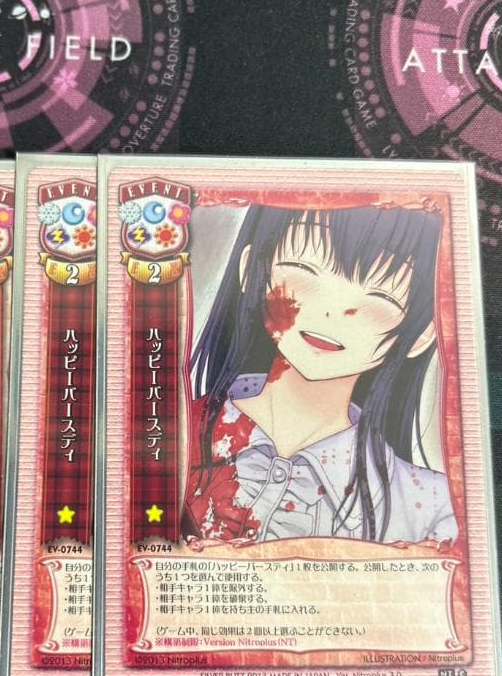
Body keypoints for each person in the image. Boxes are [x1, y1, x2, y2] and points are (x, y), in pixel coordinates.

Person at [183, 202, 459, 545]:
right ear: (252, 273)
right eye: (303, 268)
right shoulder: (164, 435)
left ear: (421, 336)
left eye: (380, 295)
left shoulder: (432, 509)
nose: (333, 312)